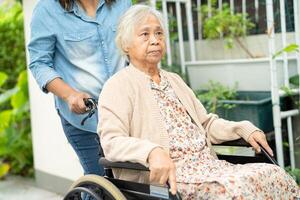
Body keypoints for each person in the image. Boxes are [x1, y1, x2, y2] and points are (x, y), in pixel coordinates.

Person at [97, 4, 300, 199]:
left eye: (159, 33)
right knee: (236, 190)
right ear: (125, 44)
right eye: (145, 34)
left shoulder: (174, 80)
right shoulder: (117, 86)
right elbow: (112, 141)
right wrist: (151, 151)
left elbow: (206, 123)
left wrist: (242, 128)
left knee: (273, 174)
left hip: (208, 166)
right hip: (169, 175)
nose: (155, 40)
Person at [28, 0, 131, 177]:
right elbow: (39, 64)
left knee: (132, 181)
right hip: (86, 119)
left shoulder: (122, 4)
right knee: (101, 182)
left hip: (127, 113)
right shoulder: (47, 10)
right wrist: (70, 95)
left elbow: (133, 49)